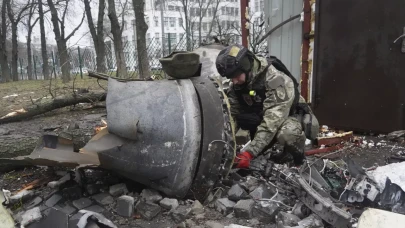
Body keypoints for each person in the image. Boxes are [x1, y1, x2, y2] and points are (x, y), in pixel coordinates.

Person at [215, 44, 318, 168]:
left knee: (287, 134)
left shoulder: (275, 79)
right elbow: (232, 115)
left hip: (289, 117)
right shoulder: (237, 85)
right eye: (231, 78)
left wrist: (249, 153)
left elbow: (272, 120)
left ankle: (296, 158)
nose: (234, 81)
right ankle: (266, 151)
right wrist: (225, 145)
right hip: (263, 117)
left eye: (236, 76)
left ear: (246, 67)